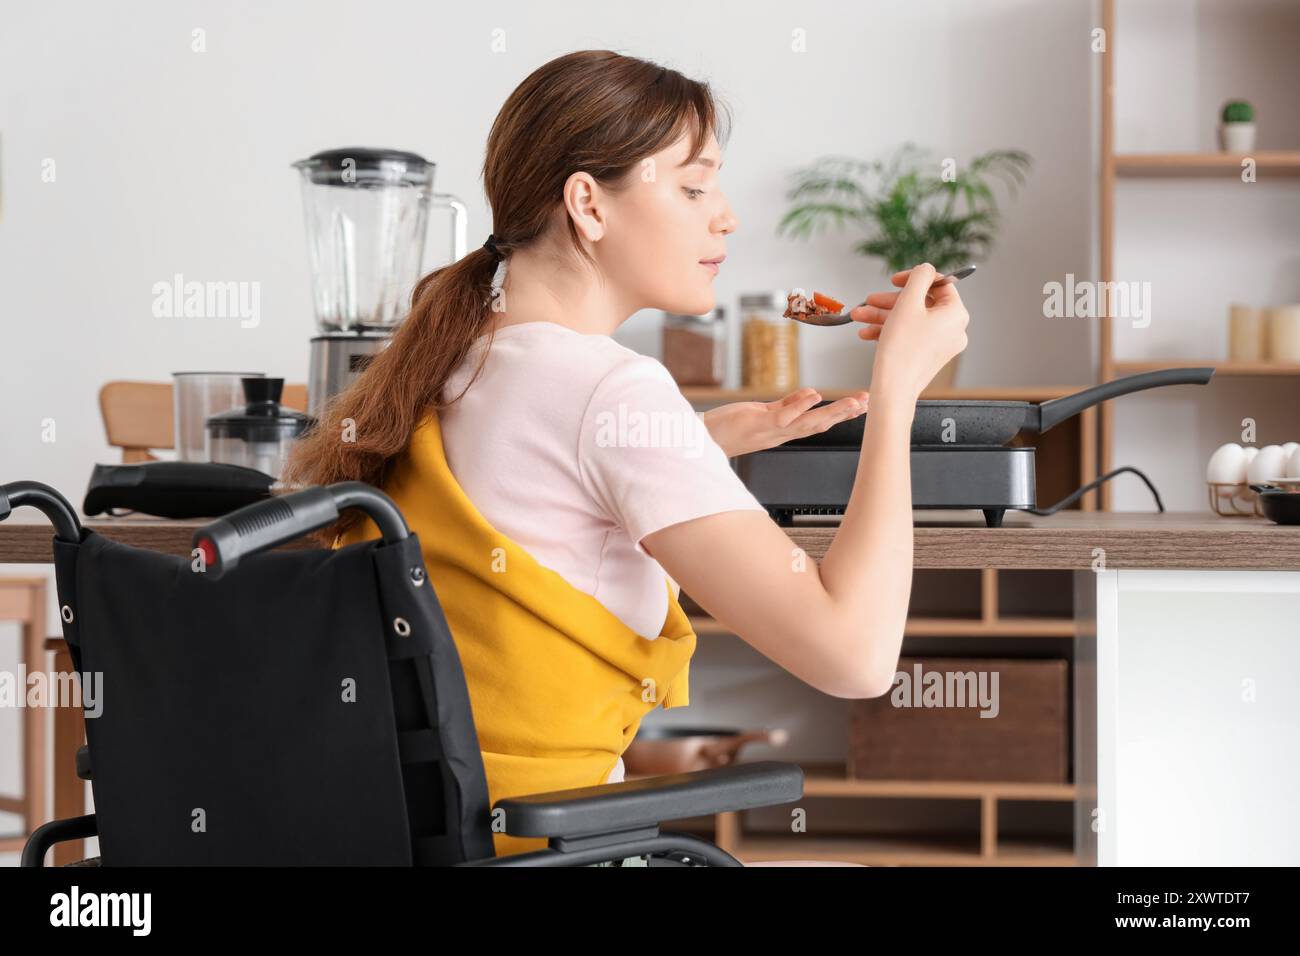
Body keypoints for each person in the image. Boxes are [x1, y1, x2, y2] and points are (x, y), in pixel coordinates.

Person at [284, 49, 968, 865]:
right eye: (692, 186)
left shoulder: (454, 360)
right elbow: (855, 657)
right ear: (588, 204)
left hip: (407, 838)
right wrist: (898, 391)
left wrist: (694, 440)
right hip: (549, 848)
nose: (727, 217)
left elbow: (531, 493)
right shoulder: (613, 390)